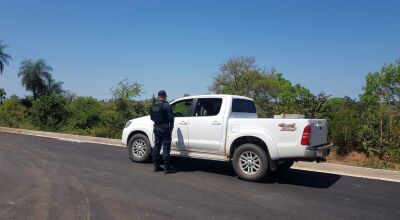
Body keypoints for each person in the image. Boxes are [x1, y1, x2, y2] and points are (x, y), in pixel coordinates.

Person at [150, 90, 175, 174]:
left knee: (157, 147)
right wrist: (171, 127)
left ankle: (156, 166)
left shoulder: (154, 105)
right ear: (164, 96)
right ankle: (166, 168)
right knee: (166, 147)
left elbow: (151, 118)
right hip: (165, 128)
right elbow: (171, 118)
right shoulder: (166, 105)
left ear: (158, 96)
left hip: (156, 127)